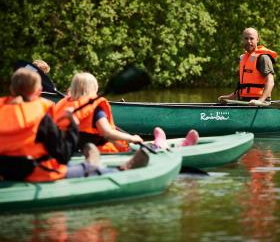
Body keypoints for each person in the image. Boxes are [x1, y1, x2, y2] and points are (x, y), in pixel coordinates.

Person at [0, 68, 149, 182]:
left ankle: (91, 159)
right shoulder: (41, 115)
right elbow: (62, 156)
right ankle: (121, 168)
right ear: (38, 91)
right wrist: (73, 126)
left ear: (11, 89)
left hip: (4, 171)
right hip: (34, 172)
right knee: (90, 169)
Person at [53, 72, 199, 154]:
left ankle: (159, 144)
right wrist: (132, 137)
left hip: (72, 151)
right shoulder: (95, 108)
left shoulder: (62, 105)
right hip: (100, 151)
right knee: (135, 146)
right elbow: (107, 133)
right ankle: (169, 147)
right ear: (94, 88)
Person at [218, 27, 277, 106]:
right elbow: (244, 87)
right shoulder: (244, 58)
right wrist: (229, 98)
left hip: (259, 104)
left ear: (257, 40)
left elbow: (271, 82)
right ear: (242, 40)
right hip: (245, 102)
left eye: (252, 38)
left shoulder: (263, 58)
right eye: (246, 38)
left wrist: (260, 101)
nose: (249, 41)